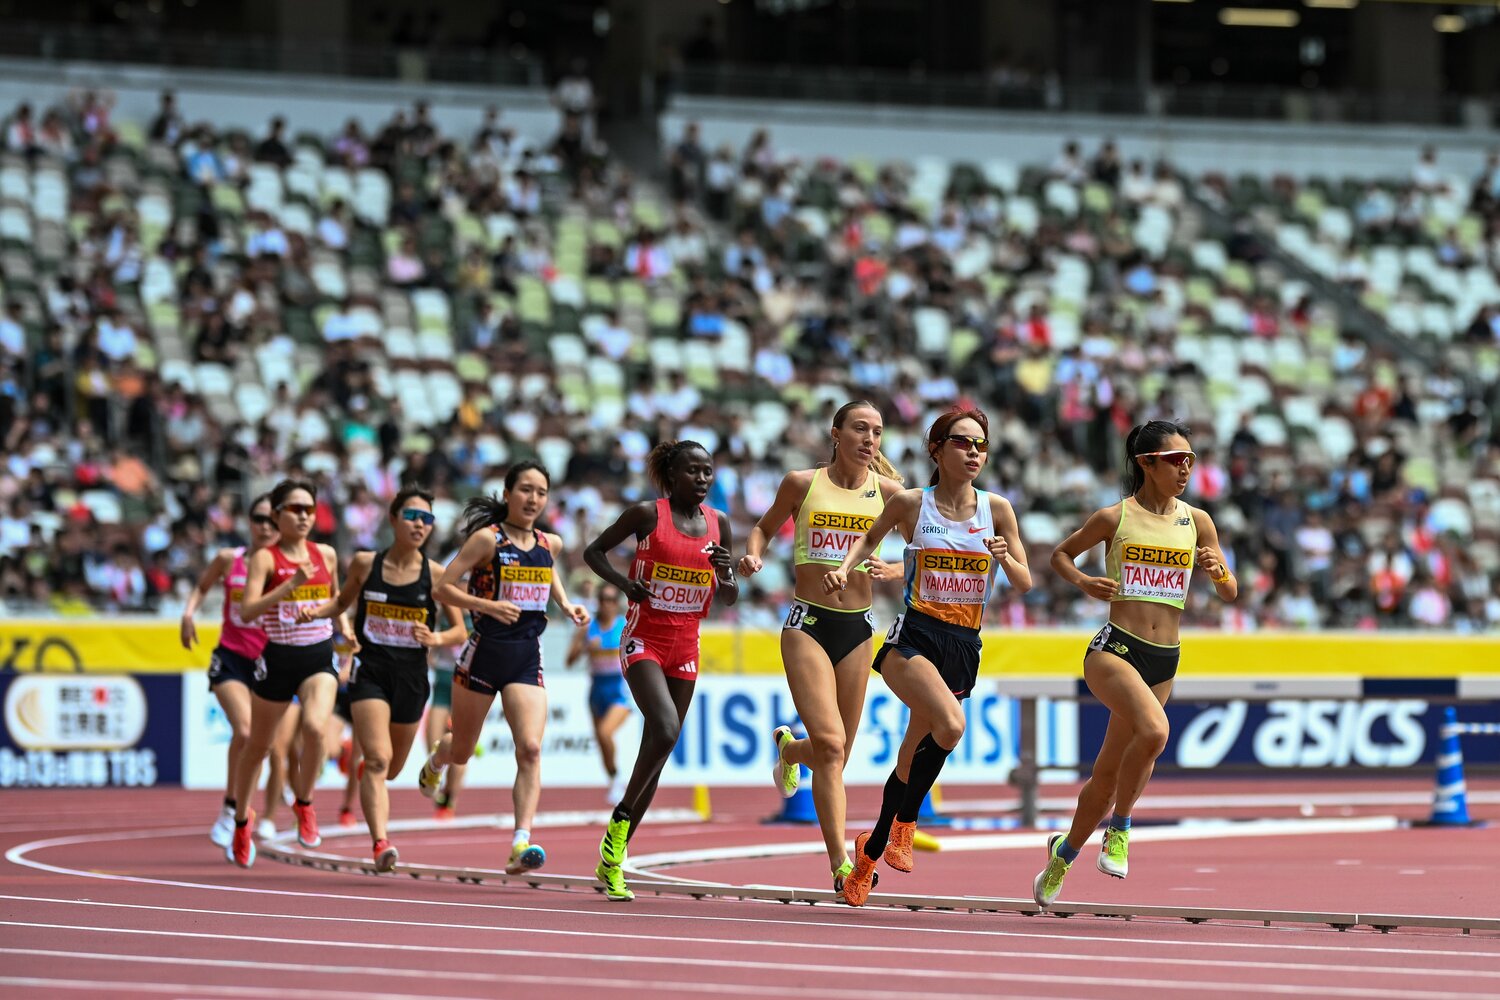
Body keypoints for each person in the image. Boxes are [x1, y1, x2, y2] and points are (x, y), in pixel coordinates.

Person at [824, 408, 1032, 906]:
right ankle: (908, 821)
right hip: (914, 637)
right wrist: (844, 569)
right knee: (951, 726)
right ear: (937, 449)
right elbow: (868, 540)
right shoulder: (913, 504)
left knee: (911, 751)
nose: (974, 453)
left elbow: (1024, 584)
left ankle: (871, 850)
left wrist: (1005, 558)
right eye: (962, 443)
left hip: (964, 643)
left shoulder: (998, 509)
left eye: (981, 445)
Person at [1033, 420, 1237, 908]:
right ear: (1146, 464)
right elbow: (1061, 556)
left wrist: (1218, 572)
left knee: (1106, 773)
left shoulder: (1198, 521)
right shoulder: (1115, 517)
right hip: (1115, 649)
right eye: (1175, 460)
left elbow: (1230, 592)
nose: (1185, 468)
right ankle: (1120, 829)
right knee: (1155, 732)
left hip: (1165, 657)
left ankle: (1063, 853)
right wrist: (1084, 582)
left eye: (1190, 459)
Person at [737, 400, 905, 892]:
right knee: (831, 745)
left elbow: (926, 549)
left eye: (876, 431)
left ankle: (790, 753)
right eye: (859, 428)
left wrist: (896, 569)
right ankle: (840, 867)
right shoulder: (802, 483)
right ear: (836, 434)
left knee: (837, 754)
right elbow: (763, 528)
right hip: (807, 623)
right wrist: (753, 555)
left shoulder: (890, 493)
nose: (869, 438)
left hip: (858, 629)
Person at [416, 463, 591, 875]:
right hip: (483, 654)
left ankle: (520, 841)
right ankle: (437, 762)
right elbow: (442, 587)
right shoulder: (486, 540)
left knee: (530, 748)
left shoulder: (552, 543)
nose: (533, 499)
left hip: (526, 657)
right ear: (508, 493)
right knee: (461, 749)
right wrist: (487, 606)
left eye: (541, 492)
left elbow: (548, 574)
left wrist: (565, 605)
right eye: (525, 490)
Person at [584, 440, 738, 902]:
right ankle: (620, 821)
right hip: (643, 641)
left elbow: (728, 598)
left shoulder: (720, 524)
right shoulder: (646, 516)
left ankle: (613, 860)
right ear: (671, 476)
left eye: (708, 471)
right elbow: (594, 552)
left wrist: (726, 575)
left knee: (657, 752)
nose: (702, 479)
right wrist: (624, 584)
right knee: (666, 730)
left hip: (686, 646)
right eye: (692, 471)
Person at [299, 486, 467, 870]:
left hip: (411, 678)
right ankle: (380, 843)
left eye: (427, 519)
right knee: (377, 760)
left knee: (391, 769)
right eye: (411, 516)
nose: (419, 525)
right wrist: (314, 613)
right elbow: (341, 603)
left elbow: (458, 632)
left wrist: (435, 638)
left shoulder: (436, 575)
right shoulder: (364, 564)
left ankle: (418, 761)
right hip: (370, 671)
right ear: (393, 519)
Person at [227, 478, 353, 868]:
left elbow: (335, 600)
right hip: (277, 658)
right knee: (259, 747)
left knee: (316, 729)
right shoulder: (265, 558)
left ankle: (304, 801)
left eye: (309, 509)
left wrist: (344, 626)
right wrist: (290, 586)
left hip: (318, 657)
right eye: (294, 509)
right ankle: (242, 820)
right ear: (278, 515)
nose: (303, 516)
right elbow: (247, 612)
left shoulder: (326, 554)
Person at [180, 493, 277, 848]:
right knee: (247, 730)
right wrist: (189, 614)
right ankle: (232, 807)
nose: (265, 526)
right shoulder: (228, 559)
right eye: (258, 519)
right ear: (248, 523)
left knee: (264, 745)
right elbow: (201, 587)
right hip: (231, 658)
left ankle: (245, 809)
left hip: (270, 663)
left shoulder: (285, 568)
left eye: (271, 520)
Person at [568, 583, 632, 804]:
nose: (607, 604)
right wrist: (585, 647)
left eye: (612, 600)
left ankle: (619, 781)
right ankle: (614, 780)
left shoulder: (625, 626)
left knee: (605, 733)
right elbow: (569, 661)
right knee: (601, 743)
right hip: (597, 688)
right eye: (603, 599)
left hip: (619, 688)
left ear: (617, 604)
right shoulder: (588, 628)